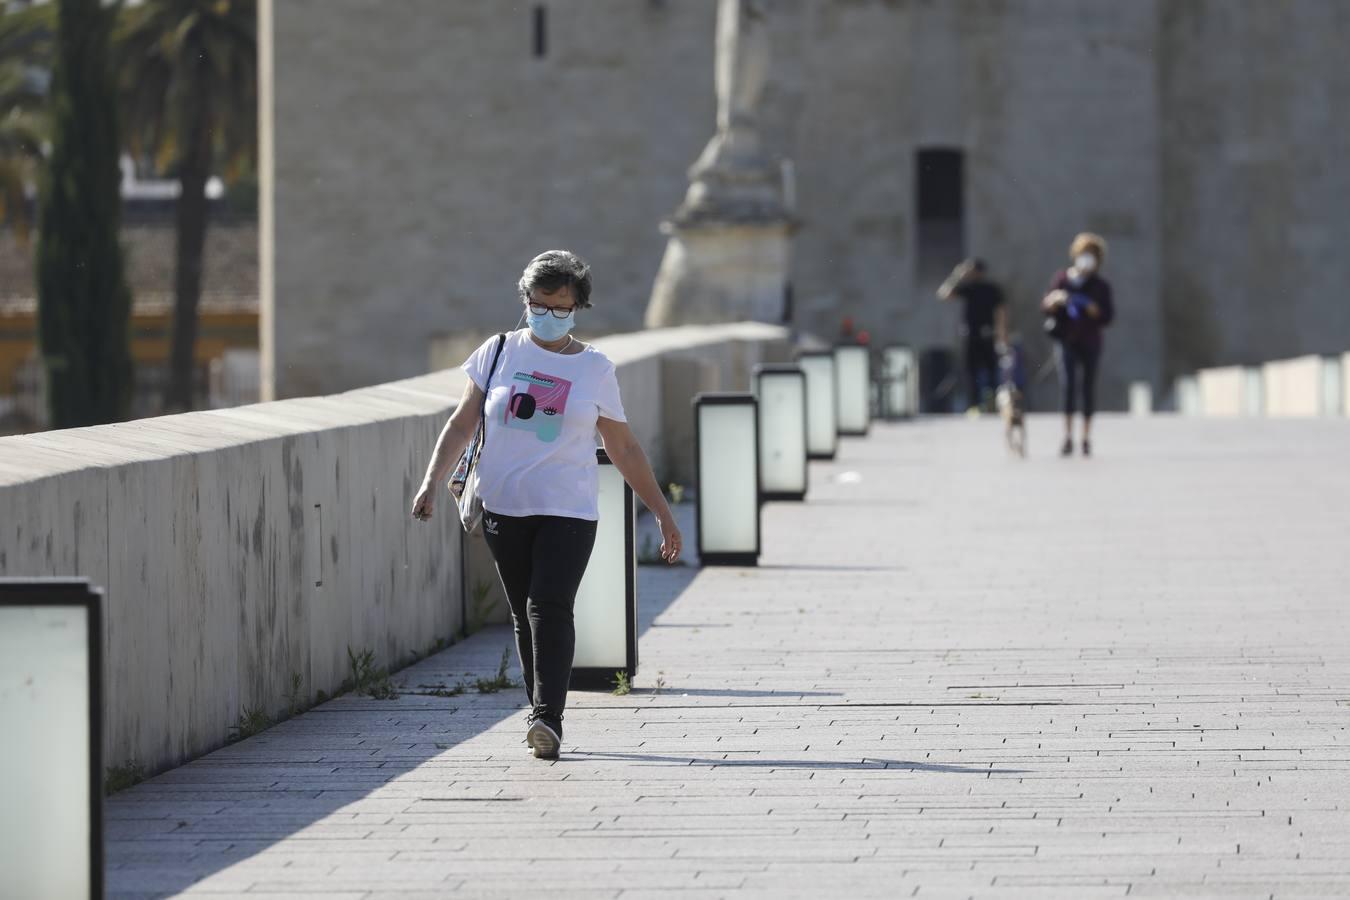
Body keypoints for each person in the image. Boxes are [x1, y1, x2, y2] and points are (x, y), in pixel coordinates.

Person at [410, 250, 683, 760]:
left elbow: (623, 447)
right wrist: (430, 481)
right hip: (504, 507)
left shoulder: (595, 368)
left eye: (563, 308)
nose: (550, 316)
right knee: (521, 611)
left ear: (579, 307)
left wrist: (664, 514)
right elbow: (463, 423)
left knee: (549, 606)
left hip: (569, 510)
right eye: (541, 305)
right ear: (525, 301)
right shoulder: (496, 354)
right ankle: (540, 707)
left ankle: (546, 718)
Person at [1041, 232, 1115, 457]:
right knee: (1068, 387)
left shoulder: (1100, 286)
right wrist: (1054, 301)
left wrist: (1095, 310)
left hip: (1090, 341)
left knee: (1088, 388)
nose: (1086, 259)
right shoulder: (1062, 279)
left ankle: (1085, 438)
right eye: (1084, 254)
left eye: (1091, 255)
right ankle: (1067, 436)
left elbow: (1108, 317)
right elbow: (1046, 306)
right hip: (1066, 340)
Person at [937, 258, 1008, 413]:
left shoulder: (991, 289)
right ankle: (974, 405)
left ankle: (993, 404)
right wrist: (957, 275)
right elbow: (944, 294)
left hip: (988, 334)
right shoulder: (968, 288)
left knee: (991, 370)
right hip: (971, 335)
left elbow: (1001, 312)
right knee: (971, 372)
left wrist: (1002, 336)